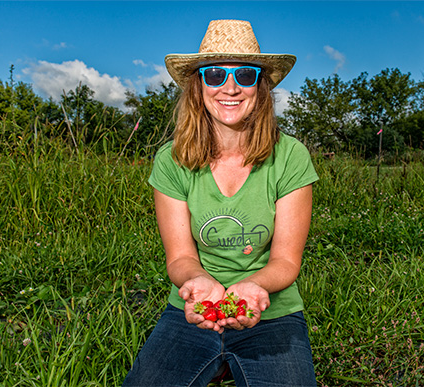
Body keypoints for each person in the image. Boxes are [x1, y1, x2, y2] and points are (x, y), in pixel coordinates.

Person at [122, 19, 318, 387]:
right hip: (194, 311)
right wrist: (198, 282)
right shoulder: (170, 159)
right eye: (214, 74)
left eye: (245, 75)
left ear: (261, 87)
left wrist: (255, 288)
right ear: (198, 86)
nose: (229, 87)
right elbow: (180, 257)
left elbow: (286, 261)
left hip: (272, 311)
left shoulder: (291, 156)